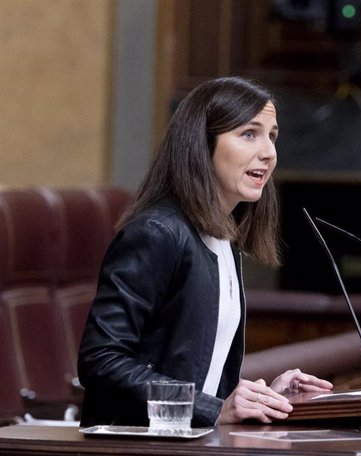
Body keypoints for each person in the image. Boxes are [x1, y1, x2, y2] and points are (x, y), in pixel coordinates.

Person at [77, 76, 333, 428]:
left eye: (272, 136)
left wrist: (262, 399)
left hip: (187, 443)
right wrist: (212, 409)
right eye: (249, 134)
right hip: (135, 445)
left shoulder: (224, 238)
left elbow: (198, 374)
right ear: (202, 144)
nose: (268, 152)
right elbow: (101, 361)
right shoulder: (158, 232)